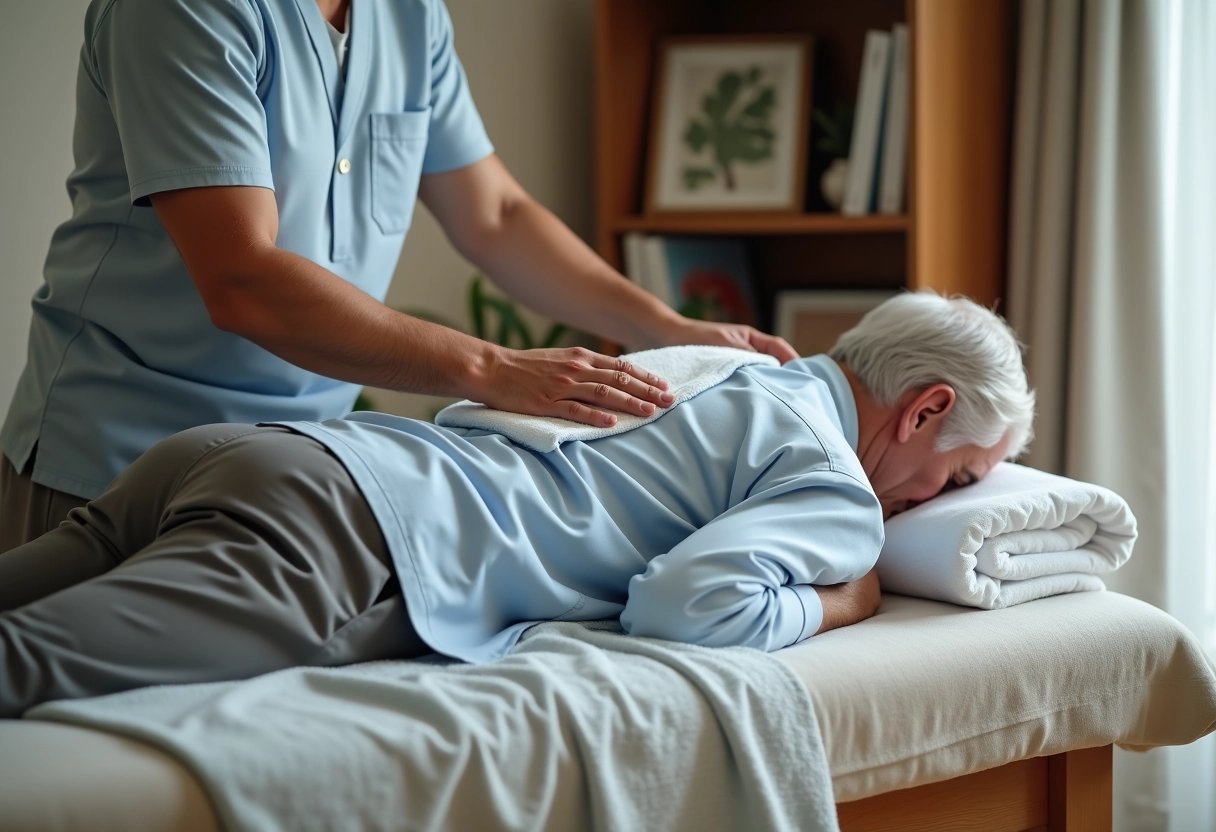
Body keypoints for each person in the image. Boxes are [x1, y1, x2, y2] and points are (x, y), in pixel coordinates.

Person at [0, 0, 795, 553]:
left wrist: (667, 328)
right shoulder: (185, 10)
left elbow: (496, 215)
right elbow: (242, 277)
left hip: (283, 467)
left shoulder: (409, 17)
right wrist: (494, 369)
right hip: (110, 467)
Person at [0, 293, 1035, 717]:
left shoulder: (725, 365)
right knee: (23, 666)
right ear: (923, 410)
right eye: (954, 478)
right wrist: (843, 599)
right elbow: (684, 604)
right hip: (344, 535)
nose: (926, 503)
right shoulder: (835, 485)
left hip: (254, 453)